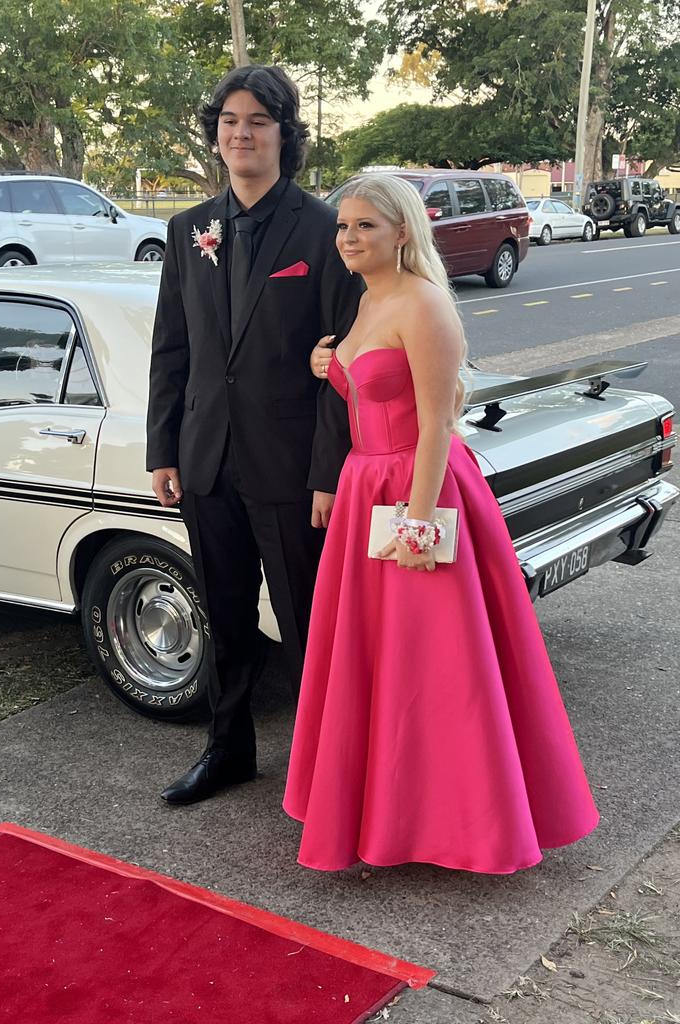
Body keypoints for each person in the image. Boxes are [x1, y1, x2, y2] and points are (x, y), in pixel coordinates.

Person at [282, 174, 599, 873]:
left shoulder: (424, 304)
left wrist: (420, 524)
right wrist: (327, 365)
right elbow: (364, 386)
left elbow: (434, 425)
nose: (350, 238)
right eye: (343, 226)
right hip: (368, 485)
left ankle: (459, 822)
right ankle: (381, 807)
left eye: (366, 225)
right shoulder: (369, 300)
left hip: (416, 490)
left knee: (438, 666)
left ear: (402, 232)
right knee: (379, 661)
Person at [147, 65, 362, 805]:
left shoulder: (324, 228)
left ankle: (324, 776)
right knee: (227, 618)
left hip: (294, 469)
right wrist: (163, 450)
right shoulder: (187, 230)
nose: (242, 133)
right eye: (230, 121)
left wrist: (329, 472)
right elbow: (171, 348)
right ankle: (228, 750)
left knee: (308, 631)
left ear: (284, 135)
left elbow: (348, 363)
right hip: (206, 464)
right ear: (216, 136)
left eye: (258, 121)